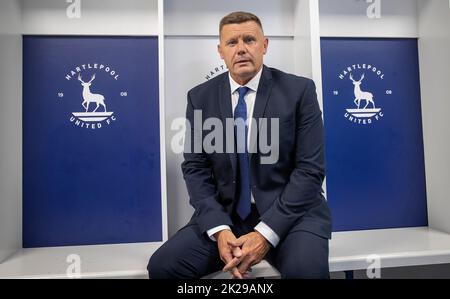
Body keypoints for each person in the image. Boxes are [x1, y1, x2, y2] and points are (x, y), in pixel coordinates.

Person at [148, 11, 332, 279]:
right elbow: (196, 169)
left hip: (293, 215)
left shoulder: (299, 91)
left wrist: (264, 234)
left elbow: (310, 171)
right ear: (220, 51)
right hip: (228, 216)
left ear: (265, 45)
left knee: (307, 273)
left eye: (250, 40)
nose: (242, 49)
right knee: (163, 267)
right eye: (232, 43)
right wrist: (220, 228)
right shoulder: (200, 97)